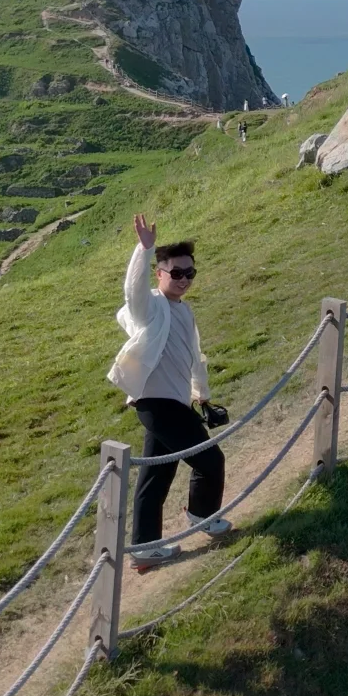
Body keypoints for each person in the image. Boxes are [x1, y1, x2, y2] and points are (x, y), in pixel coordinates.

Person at [108, 214, 227, 571]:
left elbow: (194, 356)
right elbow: (133, 294)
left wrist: (201, 394)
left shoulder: (184, 311)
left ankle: (145, 549)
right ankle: (201, 515)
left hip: (173, 401)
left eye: (190, 273)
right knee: (210, 460)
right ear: (160, 274)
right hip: (154, 402)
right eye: (176, 273)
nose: (184, 280)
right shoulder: (153, 308)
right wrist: (143, 249)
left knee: (157, 475)